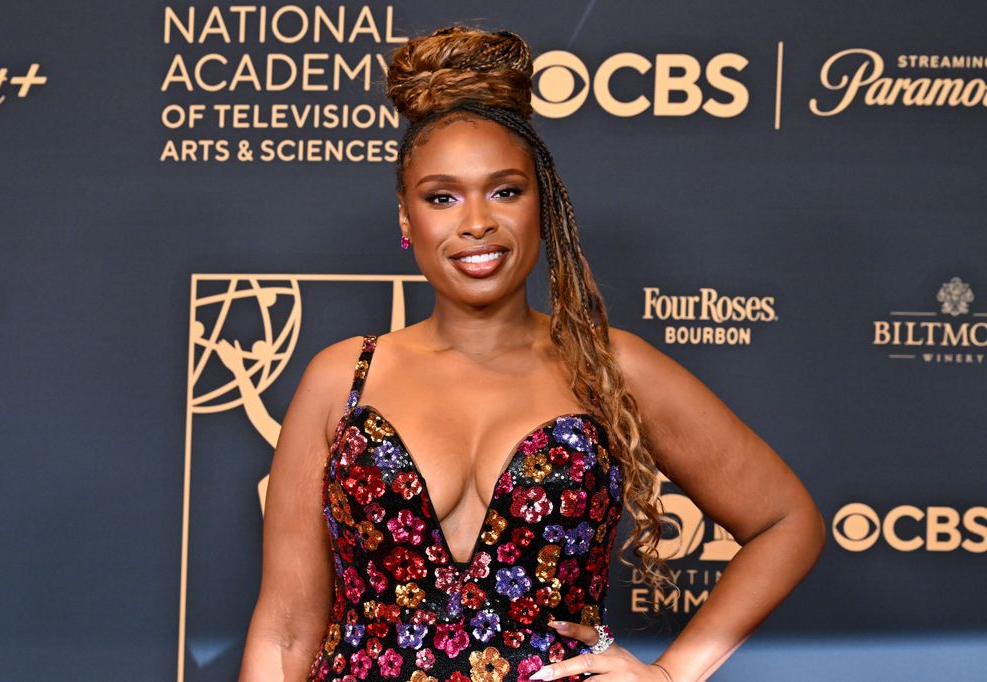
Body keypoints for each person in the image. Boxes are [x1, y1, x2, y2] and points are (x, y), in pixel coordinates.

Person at [239, 25, 825, 682]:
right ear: (407, 220)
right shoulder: (344, 377)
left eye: (505, 190)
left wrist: (671, 673)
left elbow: (786, 521)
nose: (476, 223)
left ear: (541, 205)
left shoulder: (608, 368)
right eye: (442, 197)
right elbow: (285, 632)